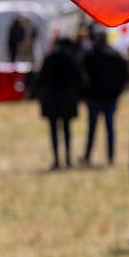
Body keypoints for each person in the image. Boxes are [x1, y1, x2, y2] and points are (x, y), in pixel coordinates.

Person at [34, 37, 87, 171]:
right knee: (67, 130)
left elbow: (40, 80)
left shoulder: (50, 58)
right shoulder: (72, 59)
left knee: (53, 131)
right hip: (67, 101)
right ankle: (68, 159)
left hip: (51, 100)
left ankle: (57, 159)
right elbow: (82, 80)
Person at [81, 29, 129, 166]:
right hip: (109, 98)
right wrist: (117, 92)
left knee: (92, 129)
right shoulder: (115, 55)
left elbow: (83, 76)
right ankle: (110, 156)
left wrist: (85, 94)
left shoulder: (90, 55)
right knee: (109, 128)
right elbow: (125, 75)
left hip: (95, 98)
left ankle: (87, 155)